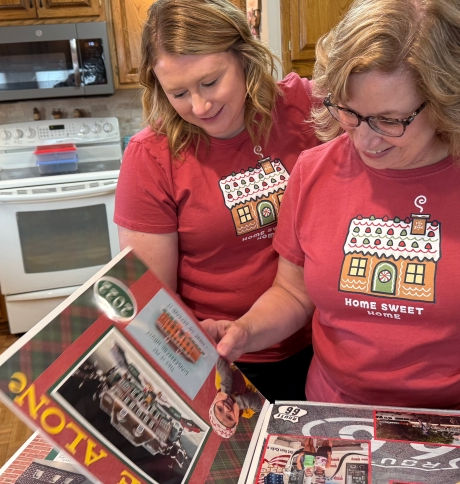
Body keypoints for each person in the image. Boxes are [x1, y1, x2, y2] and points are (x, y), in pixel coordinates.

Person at [204, 1, 460, 483]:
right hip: (337, 426)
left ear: (449, 99)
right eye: (349, 112)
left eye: (391, 120)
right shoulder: (313, 170)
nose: (365, 140)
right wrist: (247, 330)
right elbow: (294, 291)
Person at [114, 0, 320, 401]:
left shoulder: (303, 109)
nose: (200, 106)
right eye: (178, 93)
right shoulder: (151, 156)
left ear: (244, 57)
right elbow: (155, 298)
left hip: (322, 345)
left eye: (210, 82)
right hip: (221, 361)